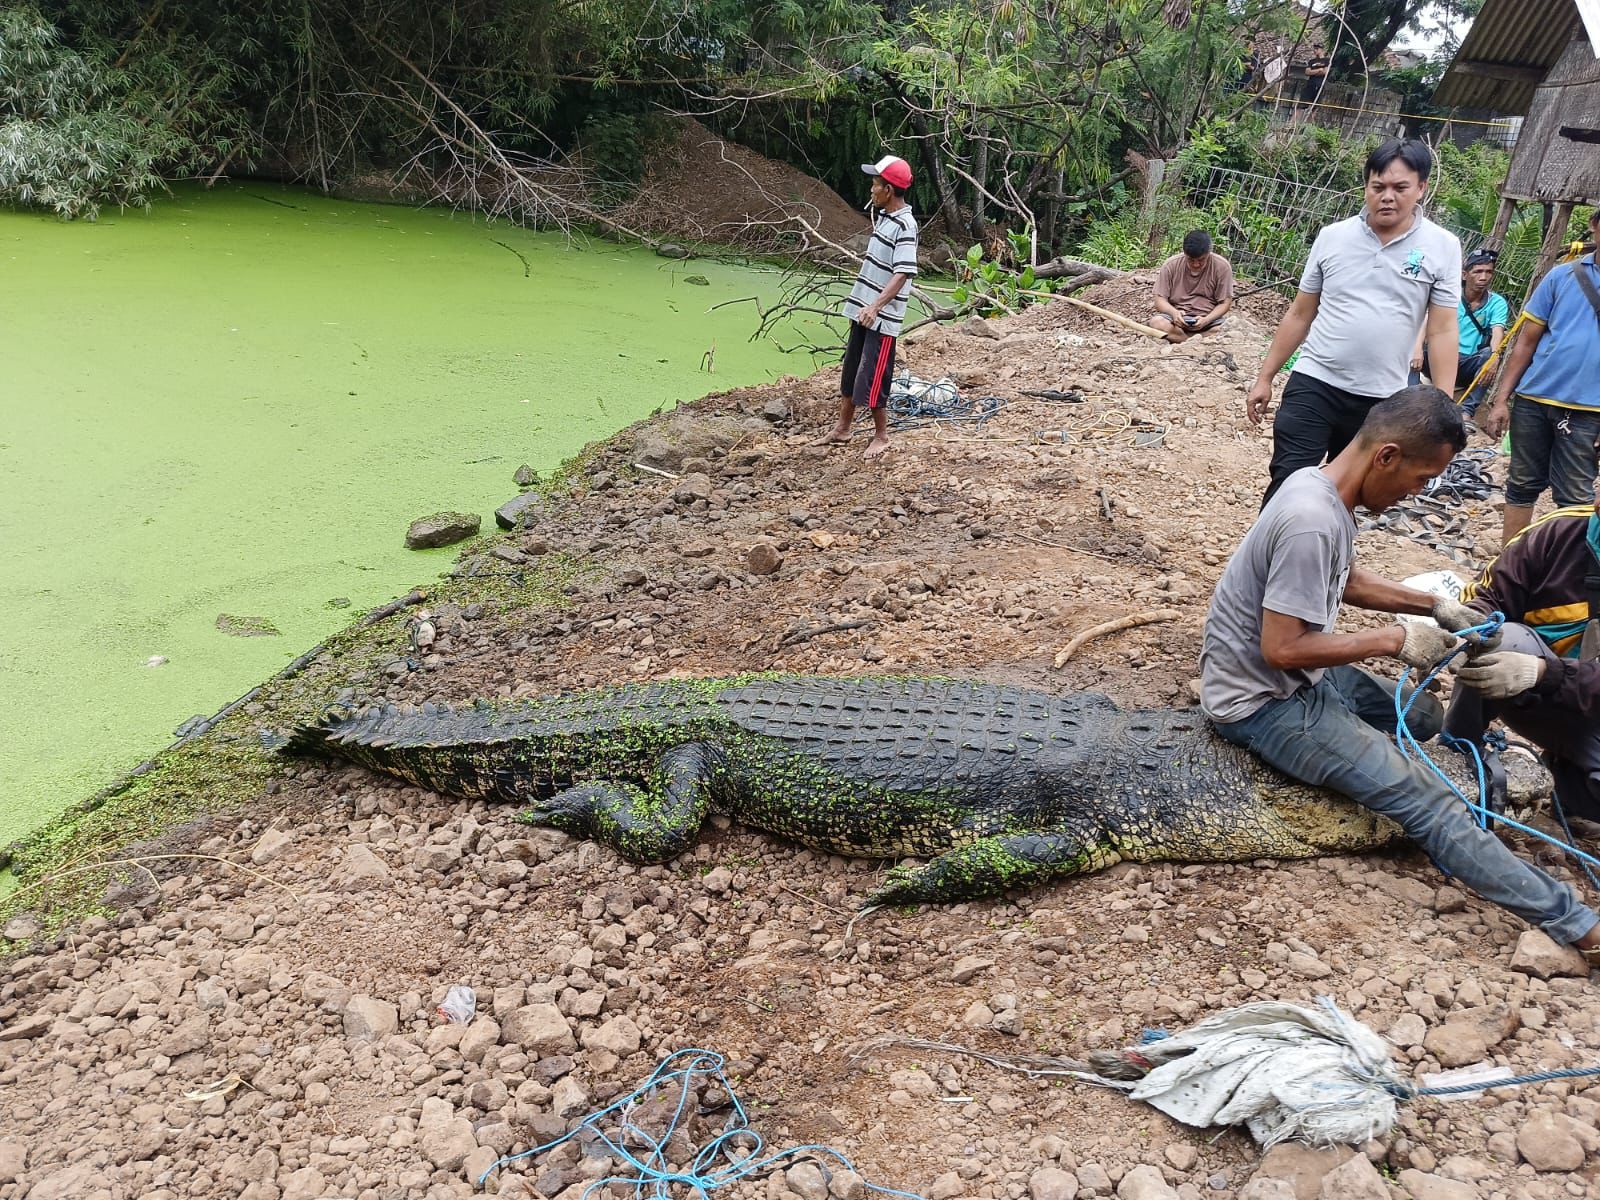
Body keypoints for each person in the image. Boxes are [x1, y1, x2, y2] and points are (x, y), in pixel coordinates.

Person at [1202, 384, 1600, 958]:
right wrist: (1393, 638)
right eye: (1420, 479)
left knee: (1423, 712)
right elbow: (1283, 650)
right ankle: (1579, 925)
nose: (1419, 493)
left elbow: (1348, 578)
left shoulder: (1318, 487)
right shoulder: (1312, 521)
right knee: (1430, 804)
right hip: (1264, 701)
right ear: (1386, 456)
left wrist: (1433, 607)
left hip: (1290, 679)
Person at [1246, 138, 1461, 507]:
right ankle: (1270, 561)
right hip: (1316, 381)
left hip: (1382, 400)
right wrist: (1265, 377)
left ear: (1421, 188)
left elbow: (1441, 329)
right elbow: (1300, 313)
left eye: (1400, 188)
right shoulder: (1333, 238)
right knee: (1288, 481)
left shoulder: (1442, 246)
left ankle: (1327, 563)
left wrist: (1442, 406)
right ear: (1366, 187)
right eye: (1378, 187)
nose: (1387, 197)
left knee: (1347, 493)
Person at [1445, 472, 1600, 821]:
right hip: (1524, 688)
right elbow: (1487, 597)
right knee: (1502, 638)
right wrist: (1467, 629)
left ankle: (1567, 786)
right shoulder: (1557, 533)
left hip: (1570, 692)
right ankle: (1458, 751)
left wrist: (1545, 672)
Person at [1478, 208, 1600, 546]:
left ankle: (1564, 576)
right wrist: (1502, 399)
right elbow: (1525, 342)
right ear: (1595, 226)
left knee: (1574, 497)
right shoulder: (1562, 277)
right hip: (1534, 399)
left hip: (1590, 411)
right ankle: (1507, 565)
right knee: (1521, 484)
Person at [817, 154, 920, 461]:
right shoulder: (886, 219)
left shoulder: (906, 225)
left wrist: (876, 306)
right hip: (863, 311)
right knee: (851, 371)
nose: (871, 190)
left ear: (889, 190)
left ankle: (882, 436)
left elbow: (903, 272)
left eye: (876, 185)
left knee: (874, 377)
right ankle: (843, 429)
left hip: (882, 317)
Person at [1407, 248, 1509, 415]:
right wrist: (1417, 347)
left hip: (1467, 362)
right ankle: (1409, 399)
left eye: (1488, 272)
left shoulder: (1496, 302)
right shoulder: (1449, 295)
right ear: (1464, 274)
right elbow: (1427, 320)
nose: (1483, 277)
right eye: (1477, 272)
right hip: (1438, 357)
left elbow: (1497, 331)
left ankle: (1466, 411)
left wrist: (1495, 356)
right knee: (1412, 345)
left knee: (1488, 355)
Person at [1149, 230, 1235, 343]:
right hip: (1176, 321)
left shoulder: (1222, 267)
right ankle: (1195, 341)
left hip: (1208, 320)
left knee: (1229, 329)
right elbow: (1159, 300)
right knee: (1157, 323)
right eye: (1190, 260)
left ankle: (1180, 339)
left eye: (1201, 260)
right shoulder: (1171, 265)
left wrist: (1206, 320)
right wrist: (1174, 313)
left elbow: (1225, 303)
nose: (1196, 264)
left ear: (1209, 253)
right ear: (1184, 253)